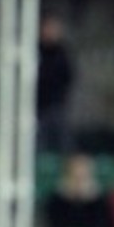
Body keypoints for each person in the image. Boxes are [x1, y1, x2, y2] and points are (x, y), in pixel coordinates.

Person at [44, 152, 114, 227]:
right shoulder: (56, 201)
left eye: (83, 177)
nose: (79, 182)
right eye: (75, 177)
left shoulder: (101, 201)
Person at [36, 12, 75, 153]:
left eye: (55, 28)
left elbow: (68, 77)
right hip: (37, 107)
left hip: (57, 106)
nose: (52, 32)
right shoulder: (34, 50)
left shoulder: (62, 53)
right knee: (38, 144)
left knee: (65, 144)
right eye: (49, 27)